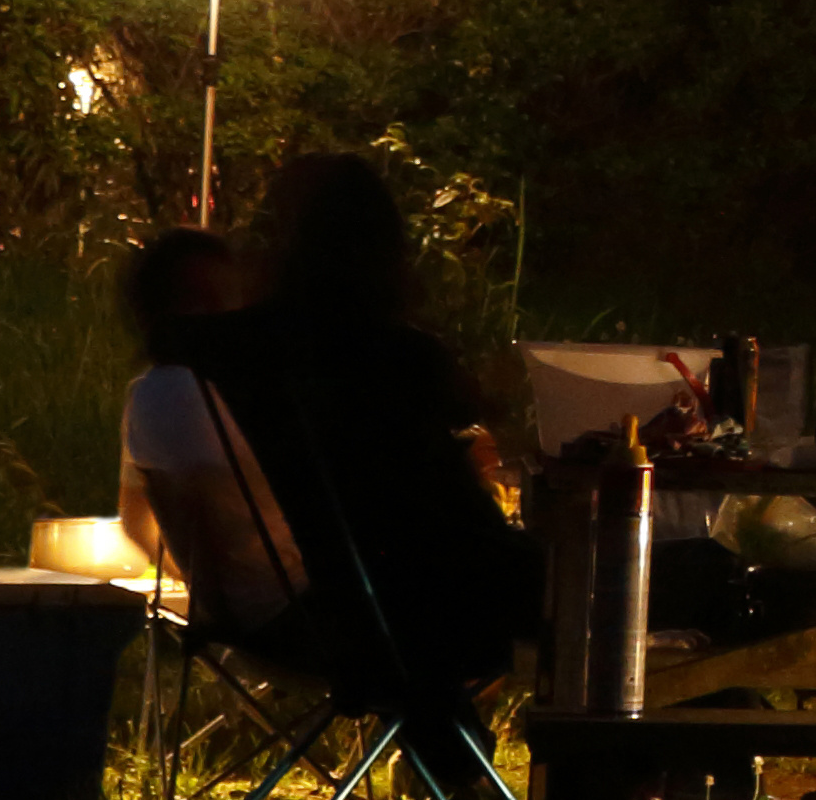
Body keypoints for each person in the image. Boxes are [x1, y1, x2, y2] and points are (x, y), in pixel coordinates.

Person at [181, 155, 540, 715]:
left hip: (343, 603)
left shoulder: (235, 347)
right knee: (658, 578)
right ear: (387, 251)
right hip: (446, 603)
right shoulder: (409, 359)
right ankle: (621, 775)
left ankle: (456, 740)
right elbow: (459, 510)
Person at [111, 227, 305, 641]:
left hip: (253, 614)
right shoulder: (196, 393)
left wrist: (201, 591)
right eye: (202, 301)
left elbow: (136, 522)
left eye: (228, 299)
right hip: (305, 616)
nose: (222, 314)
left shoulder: (149, 396)